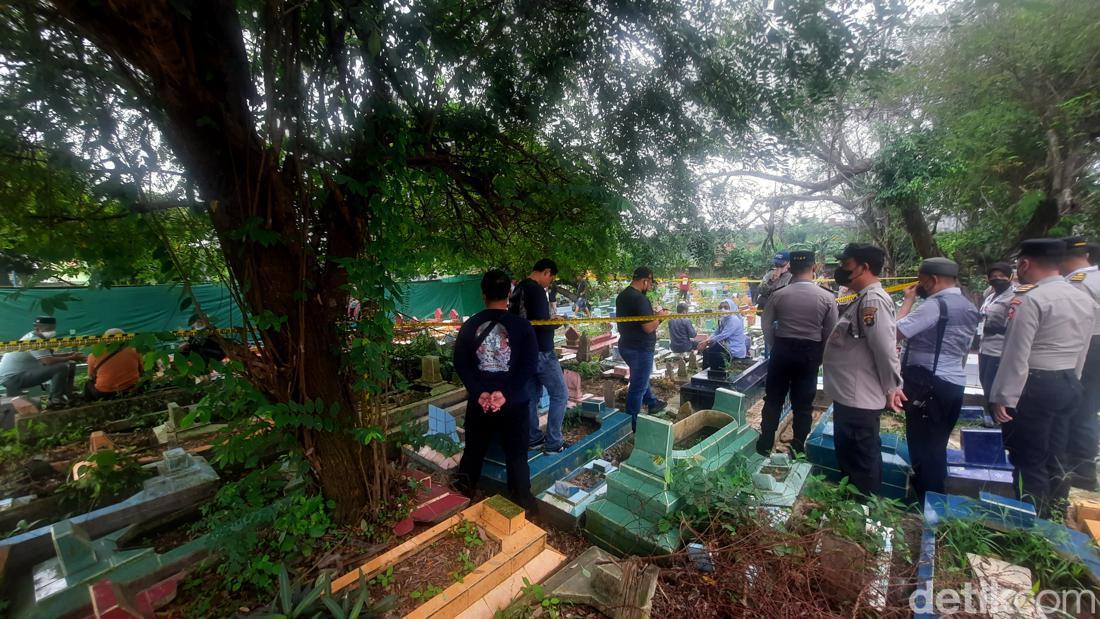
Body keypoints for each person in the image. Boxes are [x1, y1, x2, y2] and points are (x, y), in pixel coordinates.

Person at [990, 239, 1094, 517]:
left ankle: (1030, 525)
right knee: (1056, 454)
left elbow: (1016, 354)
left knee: (1028, 459)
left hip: (1034, 387)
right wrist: (1074, 381)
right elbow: (1083, 349)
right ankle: (1056, 516)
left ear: (1024, 264)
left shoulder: (1030, 299)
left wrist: (1003, 397)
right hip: (1068, 382)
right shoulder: (1083, 298)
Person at [453, 270, 539, 512]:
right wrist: (506, 393)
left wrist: (479, 392)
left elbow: (461, 362)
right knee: (517, 456)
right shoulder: (522, 326)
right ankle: (524, 506)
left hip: (479, 405)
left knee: (473, 452)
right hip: (514, 403)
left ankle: (461, 499)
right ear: (509, 294)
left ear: (483, 294)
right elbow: (529, 366)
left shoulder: (470, 326)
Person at [822, 243, 905, 496]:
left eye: (846, 265)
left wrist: (893, 386)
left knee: (861, 462)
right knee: (850, 459)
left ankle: (865, 512)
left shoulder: (872, 301)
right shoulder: (863, 299)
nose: (841, 270)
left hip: (859, 399)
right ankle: (854, 507)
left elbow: (884, 347)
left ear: (864, 267)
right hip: (850, 396)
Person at [895, 258, 980, 499]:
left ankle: (925, 501)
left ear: (932, 280)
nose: (918, 285)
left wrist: (908, 302)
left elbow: (894, 333)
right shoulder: (968, 305)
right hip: (953, 383)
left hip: (928, 383)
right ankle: (933, 496)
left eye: (920, 280)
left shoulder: (935, 306)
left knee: (923, 445)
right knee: (936, 444)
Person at [757, 250, 838, 456]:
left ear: (790, 268)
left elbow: (766, 324)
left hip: (782, 350)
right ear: (814, 268)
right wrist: (819, 354)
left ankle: (765, 443)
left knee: (774, 398)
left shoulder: (779, 295)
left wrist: (775, 345)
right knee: (803, 404)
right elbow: (831, 333)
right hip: (809, 354)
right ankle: (798, 448)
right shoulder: (827, 298)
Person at [509, 259, 570, 453]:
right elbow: (542, 325)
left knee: (531, 397)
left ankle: (533, 438)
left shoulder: (518, 289)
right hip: (542, 352)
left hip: (523, 352)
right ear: (546, 272)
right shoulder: (536, 291)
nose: (550, 283)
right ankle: (554, 442)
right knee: (560, 394)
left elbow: (529, 321)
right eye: (551, 279)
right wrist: (558, 322)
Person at [1060, 236, 1100, 490]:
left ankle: (1081, 469)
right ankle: (1082, 465)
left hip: (1087, 346)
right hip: (1093, 345)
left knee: (1079, 407)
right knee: (1088, 406)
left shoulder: (1079, 283)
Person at [616, 267, 670, 431]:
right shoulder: (640, 299)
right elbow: (648, 327)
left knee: (641, 377)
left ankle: (652, 403)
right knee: (637, 386)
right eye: (650, 283)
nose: (650, 287)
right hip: (640, 349)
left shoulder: (623, 295)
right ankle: (632, 424)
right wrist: (661, 318)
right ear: (645, 280)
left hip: (626, 345)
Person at [0, 316, 83, 405]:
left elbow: (46, 356)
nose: (51, 331)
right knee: (61, 368)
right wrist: (70, 358)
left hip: (13, 377)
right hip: (13, 379)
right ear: (37, 328)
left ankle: (66, 394)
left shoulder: (34, 337)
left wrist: (68, 354)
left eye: (52, 328)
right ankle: (56, 399)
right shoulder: (34, 340)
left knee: (61, 365)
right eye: (48, 329)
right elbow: (47, 361)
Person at [978, 262, 1015, 425]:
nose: (997, 279)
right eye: (993, 277)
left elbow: (1015, 324)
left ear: (1010, 277)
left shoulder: (1014, 297)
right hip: (984, 347)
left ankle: (999, 423)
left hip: (999, 350)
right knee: (985, 385)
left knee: (994, 389)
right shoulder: (990, 296)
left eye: (1002, 276)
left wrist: (996, 328)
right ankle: (991, 421)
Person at [84, 329, 143, 401]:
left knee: (88, 384)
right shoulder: (134, 350)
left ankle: (92, 406)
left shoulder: (94, 355)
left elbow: (91, 376)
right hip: (132, 389)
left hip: (105, 393)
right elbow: (141, 371)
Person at [699, 298, 749, 370]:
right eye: (721, 307)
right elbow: (717, 332)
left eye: (726, 307)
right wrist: (707, 340)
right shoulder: (723, 319)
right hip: (726, 347)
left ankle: (712, 374)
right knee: (708, 351)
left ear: (731, 308)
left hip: (734, 349)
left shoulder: (733, 320)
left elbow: (724, 334)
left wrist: (707, 342)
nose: (722, 309)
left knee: (710, 352)